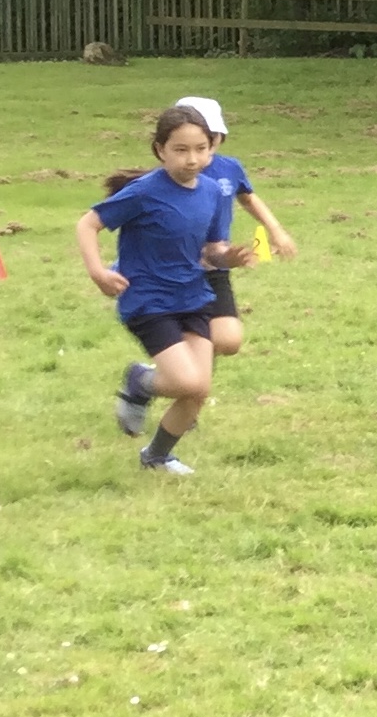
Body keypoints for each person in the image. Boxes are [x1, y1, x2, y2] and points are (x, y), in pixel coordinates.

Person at [77, 105, 254, 476]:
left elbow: (210, 249)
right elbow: (88, 224)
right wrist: (97, 271)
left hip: (193, 297)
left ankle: (156, 456)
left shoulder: (210, 192)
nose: (192, 159)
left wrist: (229, 258)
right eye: (181, 150)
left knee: (198, 390)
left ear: (211, 149)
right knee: (184, 381)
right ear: (160, 150)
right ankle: (140, 380)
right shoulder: (143, 192)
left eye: (201, 149)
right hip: (148, 300)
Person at [173, 94, 298, 357]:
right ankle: (173, 374)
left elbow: (248, 198)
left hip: (216, 263)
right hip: (176, 268)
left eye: (212, 136)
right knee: (193, 343)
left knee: (227, 340)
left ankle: (177, 373)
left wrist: (276, 231)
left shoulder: (230, 168)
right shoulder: (171, 175)